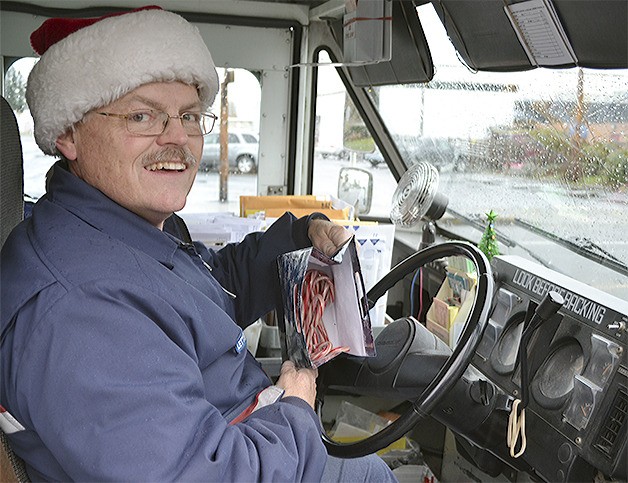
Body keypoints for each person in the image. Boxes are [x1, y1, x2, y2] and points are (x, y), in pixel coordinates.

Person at [0, 6, 397, 482]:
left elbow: (207, 288)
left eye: (189, 115)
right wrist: (295, 410)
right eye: (142, 115)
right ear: (68, 132)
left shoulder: (117, 229)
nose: (178, 139)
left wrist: (299, 241)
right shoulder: (80, 308)